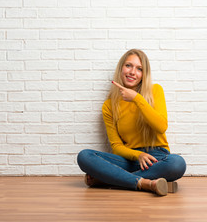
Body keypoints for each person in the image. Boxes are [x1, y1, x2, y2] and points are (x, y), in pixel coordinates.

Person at [77, 49, 186, 196]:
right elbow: (116, 147)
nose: (132, 72)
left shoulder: (155, 90)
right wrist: (137, 155)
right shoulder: (109, 105)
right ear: (121, 68)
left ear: (144, 74)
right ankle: (146, 183)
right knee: (84, 156)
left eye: (139, 69)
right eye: (128, 66)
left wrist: (137, 98)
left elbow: (161, 127)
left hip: (156, 158)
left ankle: (109, 180)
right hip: (128, 159)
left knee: (177, 163)